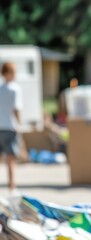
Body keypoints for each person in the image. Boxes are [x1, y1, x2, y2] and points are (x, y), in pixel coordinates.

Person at [0, 62, 22, 192]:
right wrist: (19, 125)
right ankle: (11, 187)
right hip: (10, 127)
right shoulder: (15, 89)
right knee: (11, 159)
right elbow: (16, 109)